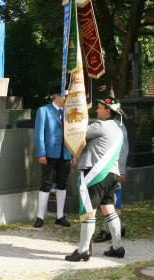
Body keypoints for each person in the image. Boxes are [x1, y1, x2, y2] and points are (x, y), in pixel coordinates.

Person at [66, 97, 126, 261]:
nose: (97, 110)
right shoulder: (119, 129)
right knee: (109, 209)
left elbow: (78, 134)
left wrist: (73, 118)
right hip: (111, 174)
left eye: (99, 107)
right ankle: (117, 247)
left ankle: (83, 250)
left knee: (88, 211)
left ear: (108, 110)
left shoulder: (101, 125)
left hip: (95, 172)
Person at [33, 88, 72, 228]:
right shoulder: (44, 110)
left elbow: (73, 134)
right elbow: (39, 134)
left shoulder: (69, 112)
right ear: (56, 96)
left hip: (65, 153)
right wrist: (41, 153)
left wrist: (73, 153)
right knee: (46, 183)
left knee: (62, 184)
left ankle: (60, 216)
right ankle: (40, 216)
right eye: (64, 95)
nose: (67, 98)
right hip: (49, 153)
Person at [94, 111, 129, 243]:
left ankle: (107, 231)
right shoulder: (102, 124)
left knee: (111, 200)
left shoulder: (118, 126)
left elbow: (124, 149)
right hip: (102, 168)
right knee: (108, 201)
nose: (97, 110)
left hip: (113, 168)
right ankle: (119, 227)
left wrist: (121, 170)